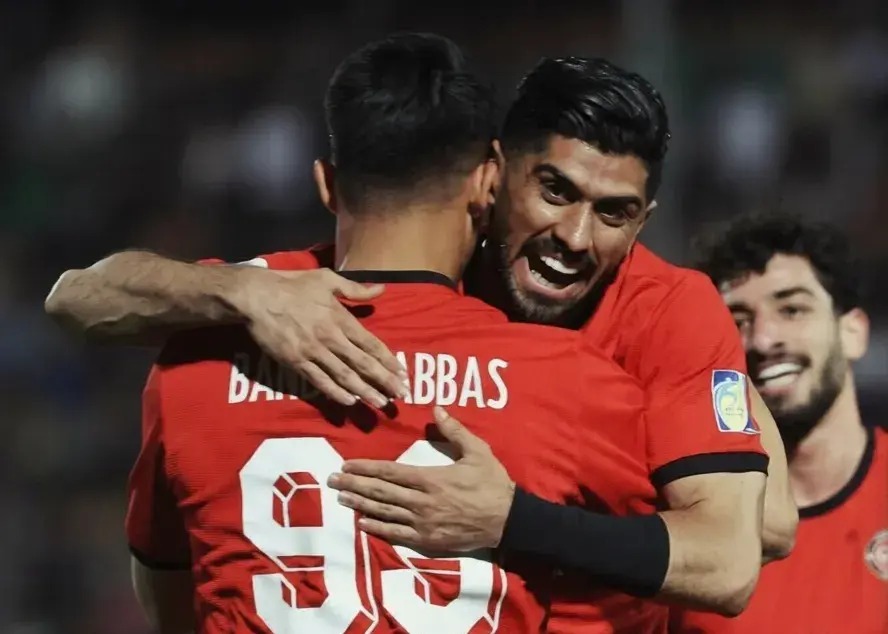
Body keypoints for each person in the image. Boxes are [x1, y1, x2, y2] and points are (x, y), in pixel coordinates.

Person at [46, 52, 789, 625]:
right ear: (493, 174)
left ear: (645, 220)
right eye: (555, 190)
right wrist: (237, 290)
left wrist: (513, 520)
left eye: (614, 212)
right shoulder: (313, 292)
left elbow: (743, 549)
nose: (574, 236)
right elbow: (75, 297)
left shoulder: (667, 312)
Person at [669, 214, 887, 634]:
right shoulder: (683, 515)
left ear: (853, 332)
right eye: (738, 321)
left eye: (792, 309)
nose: (763, 340)